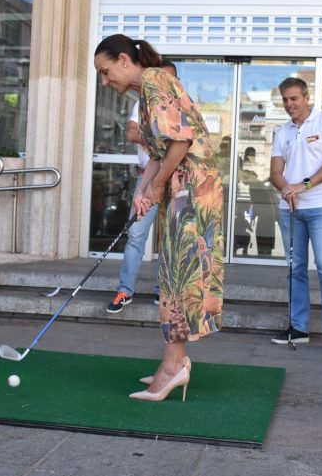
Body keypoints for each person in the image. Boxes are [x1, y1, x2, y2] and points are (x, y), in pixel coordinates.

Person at [94, 34, 224, 401]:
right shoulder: (146, 94)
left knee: (179, 279)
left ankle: (173, 367)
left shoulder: (156, 80)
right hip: (181, 190)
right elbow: (158, 153)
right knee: (171, 276)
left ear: (123, 60)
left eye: (105, 72)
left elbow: (180, 142)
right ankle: (174, 362)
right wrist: (142, 190)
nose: (104, 81)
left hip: (192, 192)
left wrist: (155, 187)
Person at [269, 77, 322, 356]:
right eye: (285, 100)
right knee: (295, 269)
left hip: (321, 207)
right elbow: (275, 172)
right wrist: (286, 189)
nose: (289, 104)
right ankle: (298, 328)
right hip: (290, 209)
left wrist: (303, 185)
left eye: (294, 98)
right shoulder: (282, 131)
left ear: (306, 97)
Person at [107, 59, 178, 313]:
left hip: (175, 179)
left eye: (169, 79)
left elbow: (181, 142)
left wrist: (160, 137)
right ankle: (125, 291)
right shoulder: (142, 103)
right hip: (147, 178)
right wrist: (161, 136)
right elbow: (130, 132)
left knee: (170, 237)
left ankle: (164, 291)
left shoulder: (180, 106)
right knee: (136, 234)